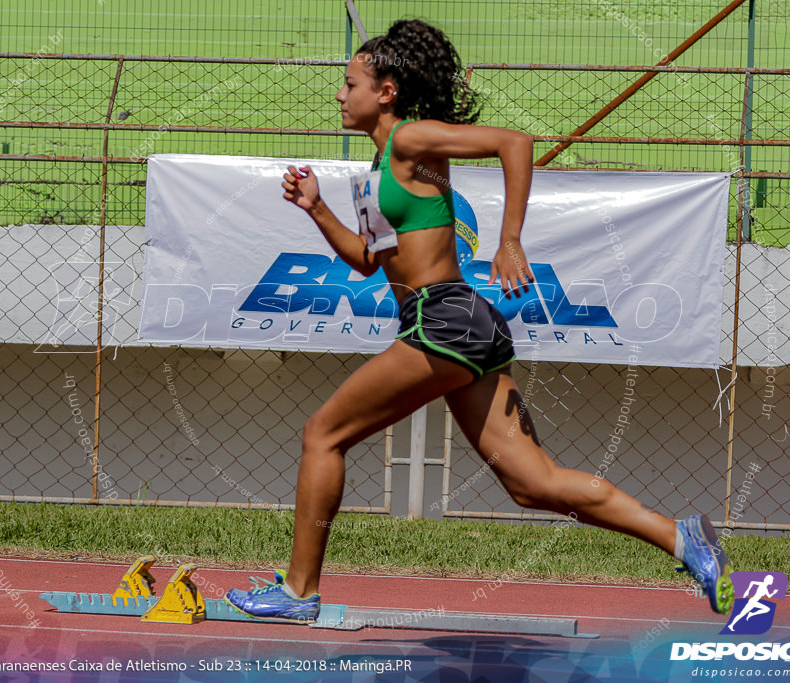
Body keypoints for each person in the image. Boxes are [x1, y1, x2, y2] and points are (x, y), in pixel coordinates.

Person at [225, 19, 733, 622]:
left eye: (350, 83)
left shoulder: (412, 140)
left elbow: (513, 142)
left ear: (386, 91)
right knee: (532, 485)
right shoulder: (375, 174)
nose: (339, 94)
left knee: (323, 434)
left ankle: (297, 592)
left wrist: (509, 241)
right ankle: (683, 539)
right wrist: (316, 209)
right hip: (461, 325)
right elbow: (367, 263)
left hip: (444, 319)